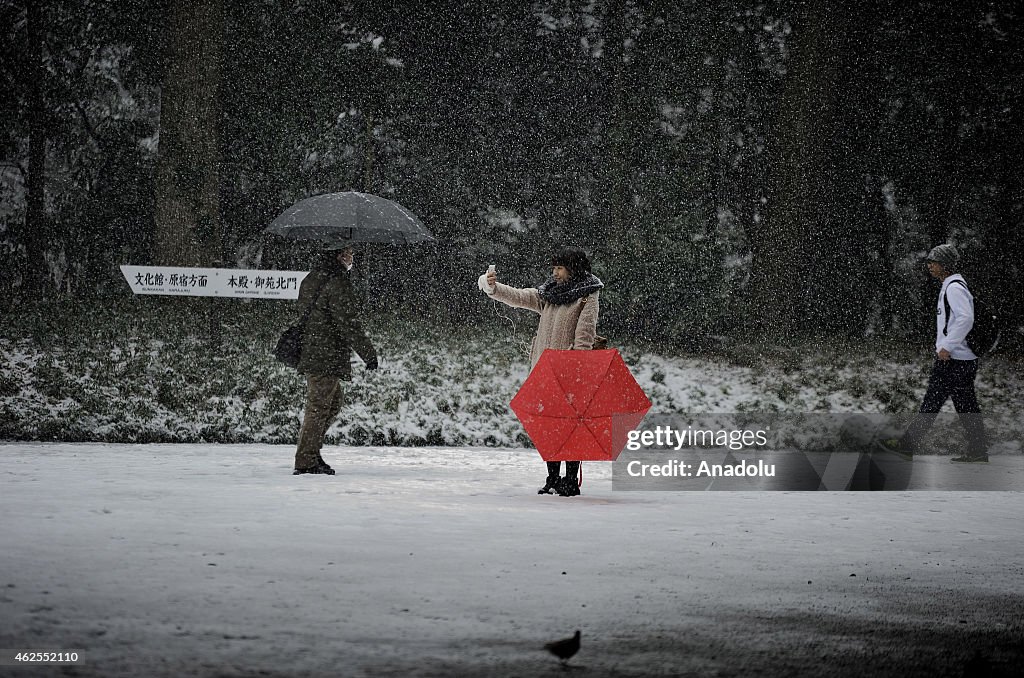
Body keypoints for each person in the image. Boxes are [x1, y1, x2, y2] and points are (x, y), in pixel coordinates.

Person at [478, 247, 603, 495]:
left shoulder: (587, 296)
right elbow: (520, 297)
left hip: (569, 372)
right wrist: (494, 287)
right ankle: (552, 477)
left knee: (570, 427)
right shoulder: (549, 293)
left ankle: (569, 479)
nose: (554, 273)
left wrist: (578, 370)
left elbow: (584, 336)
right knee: (548, 426)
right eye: (553, 268)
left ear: (572, 269)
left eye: (559, 268)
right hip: (543, 370)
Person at [881, 244, 988, 463]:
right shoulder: (951, 286)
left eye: (934, 261)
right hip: (961, 359)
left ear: (945, 265)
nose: (930, 265)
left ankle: (906, 446)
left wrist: (947, 346)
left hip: (953, 359)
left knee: (932, 402)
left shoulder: (954, 288)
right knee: (965, 405)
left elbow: (966, 318)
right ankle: (978, 450)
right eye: (929, 261)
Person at [293, 243, 378, 475]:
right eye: (350, 254)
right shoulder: (337, 282)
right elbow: (348, 323)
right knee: (319, 408)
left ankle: (311, 451)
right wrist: (368, 354)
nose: (352, 258)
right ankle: (306, 460)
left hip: (312, 350)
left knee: (332, 403)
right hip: (325, 354)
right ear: (340, 256)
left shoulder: (311, 278)